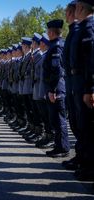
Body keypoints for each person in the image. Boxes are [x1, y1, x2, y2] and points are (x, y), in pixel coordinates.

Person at [70, 0, 94, 181]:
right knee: (81, 124)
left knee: (88, 126)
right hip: (78, 82)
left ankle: (89, 166)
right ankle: (84, 162)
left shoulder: (88, 27)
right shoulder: (83, 27)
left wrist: (90, 88)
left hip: (84, 83)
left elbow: (91, 61)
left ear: (80, 8)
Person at [43, 19, 70, 158]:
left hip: (57, 88)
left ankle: (63, 148)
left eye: (48, 31)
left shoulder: (57, 46)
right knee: (55, 119)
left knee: (59, 120)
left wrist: (52, 90)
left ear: (52, 32)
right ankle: (58, 146)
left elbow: (57, 70)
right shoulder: (56, 45)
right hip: (54, 88)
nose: (47, 33)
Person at [62, 0, 81, 170]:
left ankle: (86, 161)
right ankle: (81, 157)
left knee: (81, 125)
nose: (65, 16)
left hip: (78, 85)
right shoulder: (74, 31)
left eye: (67, 13)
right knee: (75, 123)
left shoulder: (79, 30)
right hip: (73, 85)